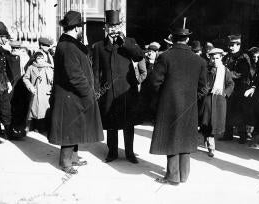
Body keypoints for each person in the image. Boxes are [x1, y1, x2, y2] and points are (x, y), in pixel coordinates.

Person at [150, 26, 207, 185]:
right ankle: (183, 175)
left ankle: (172, 177)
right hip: (189, 106)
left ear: (172, 38)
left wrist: (161, 97)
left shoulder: (165, 57)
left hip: (169, 105)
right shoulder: (199, 60)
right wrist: (194, 100)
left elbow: (155, 82)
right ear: (188, 39)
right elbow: (204, 87)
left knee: (171, 138)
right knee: (185, 138)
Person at [48, 11, 104, 174]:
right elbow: (74, 75)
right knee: (69, 128)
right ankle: (65, 162)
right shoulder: (68, 46)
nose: (82, 31)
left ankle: (73, 158)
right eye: (81, 27)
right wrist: (88, 92)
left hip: (73, 95)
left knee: (75, 127)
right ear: (77, 28)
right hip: (70, 95)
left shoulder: (69, 44)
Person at [92, 10, 144, 164]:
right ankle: (112, 152)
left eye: (116, 26)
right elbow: (95, 72)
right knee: (111, 123)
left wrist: (124, 42)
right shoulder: (99, 46)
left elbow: (139, 56)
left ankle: (129, 152)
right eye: (110, 26)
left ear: (120, 26)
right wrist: (96, 92)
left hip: (127, 90)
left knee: (129, 123)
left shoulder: (129, 41)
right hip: (108, 91)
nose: (113, 29)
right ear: (106, 27)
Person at [200, 48, 234, 157]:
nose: (215, 60)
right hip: (208, 98)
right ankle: (209, 140)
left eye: (217, 58)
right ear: (210, 58)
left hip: (219, 99)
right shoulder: (206, 69)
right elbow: (201, 82)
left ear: (221, 58)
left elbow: (230, 84)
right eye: (213, 58)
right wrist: (205, 90)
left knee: (214, 122)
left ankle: (211, 144)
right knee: (207, 121)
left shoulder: (225, 70)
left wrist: (225, 93)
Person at [219, 34, 251, 144]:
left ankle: (243, 136)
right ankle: (228, 134)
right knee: (227, 111)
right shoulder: (227, 57)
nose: (231, 47)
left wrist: (227, 73)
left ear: (239, 45)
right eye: (230, 45)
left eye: (233, 45)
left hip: (239, 88)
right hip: (229, 87)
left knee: (239, 112)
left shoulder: (244, 57)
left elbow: (242, 73)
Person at [0, 22, 19, 143]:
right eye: (4, 37)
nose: (6, 39)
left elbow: (4, 68)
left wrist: (7, 81)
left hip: (2, 83)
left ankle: (8, 131)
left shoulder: (1, 49)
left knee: (6, 108)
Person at [23, 51, 53, 134]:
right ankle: (32, 126)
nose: (40, 60)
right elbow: (25, 78)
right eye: (38, 58)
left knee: (45, 111)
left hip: (45, 92)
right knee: (33, 110)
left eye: (42, 58)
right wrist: (30, 87)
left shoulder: (48, 67)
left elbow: (53, 79)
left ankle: (44, 128)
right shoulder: (31, 67)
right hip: (35, 92)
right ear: (35, 59)